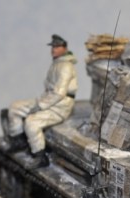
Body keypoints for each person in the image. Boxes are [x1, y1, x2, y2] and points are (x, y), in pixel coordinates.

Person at [6, 34, 78, 168]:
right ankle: (19, 141)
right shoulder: (57, 63)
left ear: (65, 48)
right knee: (15, 107)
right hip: (48, 100)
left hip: (60, 106)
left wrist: (40, 106)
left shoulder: (66, 66)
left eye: (57, 47)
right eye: (53, 47)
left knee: (31, 122)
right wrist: (41, 103)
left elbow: (59, 93)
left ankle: (40, 156)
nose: (53, 49)